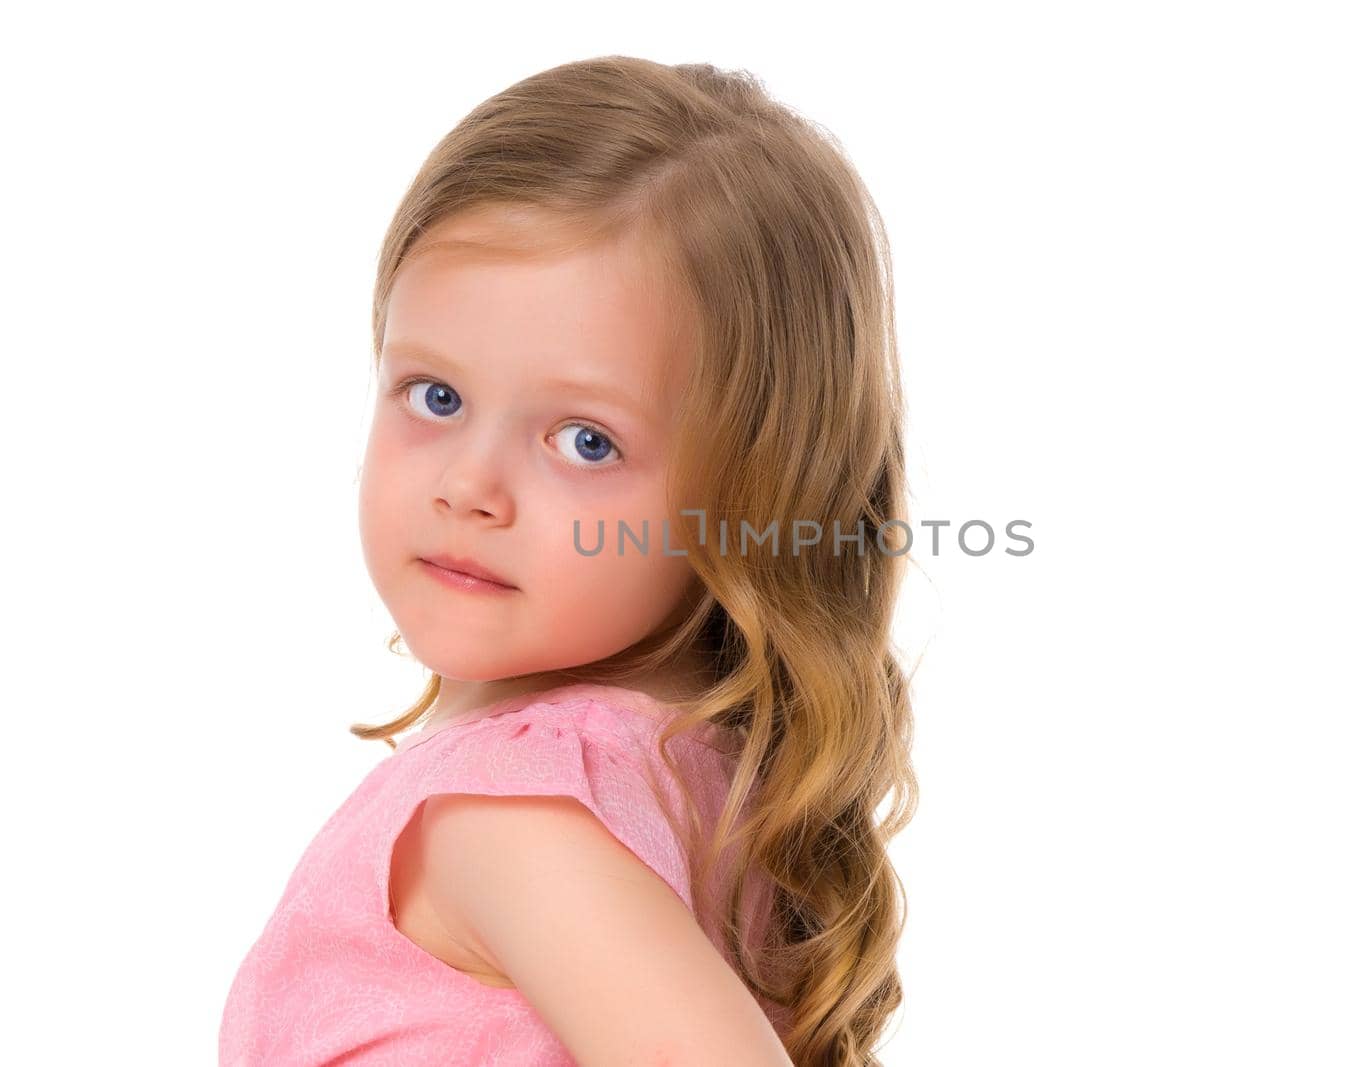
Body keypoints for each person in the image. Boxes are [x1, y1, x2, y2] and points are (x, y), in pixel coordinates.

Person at [219, 55, 917, 1067]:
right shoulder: (695, 768)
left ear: (750, 494)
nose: (469, 485)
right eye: (434, 395)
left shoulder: (508, 813)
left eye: (585, 440)